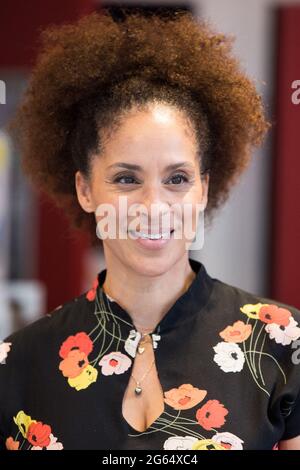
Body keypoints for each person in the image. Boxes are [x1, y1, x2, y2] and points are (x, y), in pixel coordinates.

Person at [1, 9, 300, 451]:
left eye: (177, 179)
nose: (153, 206)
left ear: (204, 188)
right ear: (85, 189)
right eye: (126, 178)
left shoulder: (282, 342)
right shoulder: (18, 363)